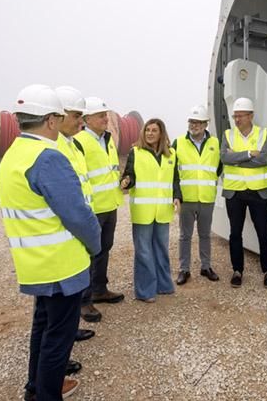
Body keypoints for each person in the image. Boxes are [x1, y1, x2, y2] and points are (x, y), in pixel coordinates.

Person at [0, 84, 101, 401]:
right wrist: (95, 244)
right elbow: (78, 216)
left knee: (42, 327)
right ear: (51, 120)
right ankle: (47, 398)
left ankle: (35, 385)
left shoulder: (13, 154)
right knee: (58, 338)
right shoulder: (47, 158)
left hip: (34, 264)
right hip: (61, 266)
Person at [73, 97, 126, 323]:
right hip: (92, 208)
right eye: (101, 115)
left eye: (106, 115)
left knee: (105, 249)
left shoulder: (108, 139)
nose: (106, 119)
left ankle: (100, 289)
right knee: (89, 255)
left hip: (110, 204)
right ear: (87, 119)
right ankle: (84, 301)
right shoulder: (79, 142)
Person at [54, 86, 98, 348]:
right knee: (58, 301)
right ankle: (60, 349)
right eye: (76, 116)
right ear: (56, 116)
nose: (80, 121)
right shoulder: (54, 150)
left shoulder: (72, 144)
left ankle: (71, 329)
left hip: (77, 230)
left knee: (70, 293)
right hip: (65, 233)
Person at [120, 118, 180, 302]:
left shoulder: (171, 154)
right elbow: (129, 174)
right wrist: (127, 181)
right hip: (143, 210)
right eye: (147, 130)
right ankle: (145, 291)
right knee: (144, 251)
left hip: (162, 210)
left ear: (161, 133)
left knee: (161, 248)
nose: (150, 133)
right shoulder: (135, 152)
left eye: (154, 130)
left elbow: (175, 179)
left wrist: (177, 196)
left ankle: (164, 285)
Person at [220, 97, 267, 288]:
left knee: (263, 232)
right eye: (235, 116)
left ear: (251, 115)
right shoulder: (228, 135)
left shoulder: (263, 133)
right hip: (234, 192)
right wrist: (249, 154)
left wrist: (237, 158)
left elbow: (265, 159)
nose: (237, 120)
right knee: (235, 233)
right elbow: (225, 158)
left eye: (241, 116)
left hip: (259, 192)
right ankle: (237, 271)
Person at [173, 105, 221, 285]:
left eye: (198, 122)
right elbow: (173, 172)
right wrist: (176, 194)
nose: (194, 125)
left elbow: (219, 167)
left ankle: (206, 267)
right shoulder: (178, 143)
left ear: (205, 124)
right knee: (185, 236)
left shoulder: (215, 143)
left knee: (205, 234)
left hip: (206, 198)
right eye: (192, 122)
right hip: (187, 199)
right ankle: (184, 269)